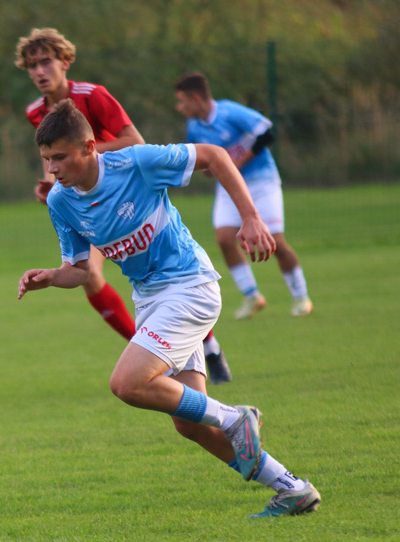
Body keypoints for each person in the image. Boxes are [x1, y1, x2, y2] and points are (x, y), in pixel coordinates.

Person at [17, 100, 321, 517]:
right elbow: (81, 271)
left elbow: (213, 156)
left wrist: (250, 217)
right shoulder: (61, 202)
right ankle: (292, 488)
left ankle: (235, 417)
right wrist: (52, 276)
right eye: (47, 160)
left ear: (89, 147)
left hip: (189, 286)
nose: (52, 170)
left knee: (127, 383)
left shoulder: (134, 163)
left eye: (60, 158)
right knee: (188, 423)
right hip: (151, 299)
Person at [15, 29, 232, 384]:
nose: (40, 71)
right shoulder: (35, 112)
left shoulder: (93, 96)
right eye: (32, 65)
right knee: (88, 274)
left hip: (125, 194)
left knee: (160, 267)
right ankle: (147, 348)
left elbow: (134, 141)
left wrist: (88, 158)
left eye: (46, 61)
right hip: (86, 204)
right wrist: (51, 185)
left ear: (65, 61)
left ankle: (198, 347)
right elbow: (53, 162)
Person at [174, 72, 313, 319]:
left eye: (182, 101)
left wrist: (237, 161)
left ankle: (301, 296)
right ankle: (252, 296)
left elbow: (266, 133)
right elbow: (200, 156)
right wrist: (207, 168)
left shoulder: (230, 112)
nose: (180, 108)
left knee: (275, 241)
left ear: (196, 98)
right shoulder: (194, 126)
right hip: (228, 186)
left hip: (261, 181)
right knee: (224, 238)